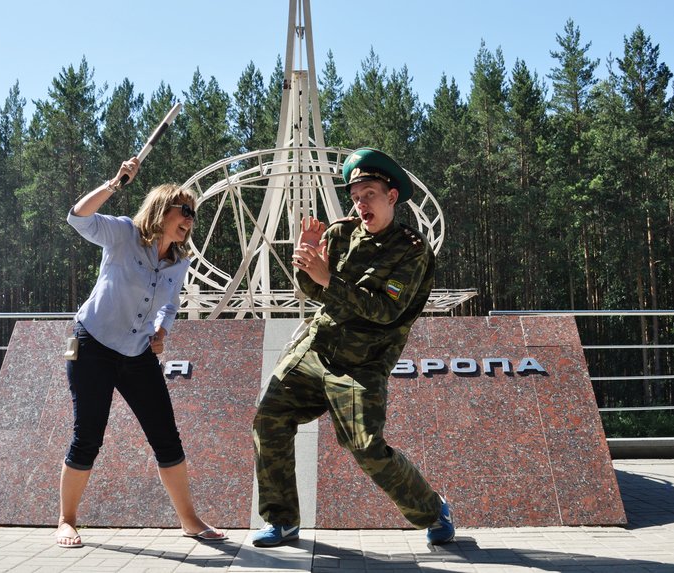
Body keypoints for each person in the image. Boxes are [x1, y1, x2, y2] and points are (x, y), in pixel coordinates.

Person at [251, 147, 455, 547]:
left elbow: (385, 311)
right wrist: (305, 261)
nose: (361, 204)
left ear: (392, 197)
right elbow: (313, 291)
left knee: (365, 447)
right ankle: (282, 520)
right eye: (357, 196)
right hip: (316, 349)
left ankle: (432, 511)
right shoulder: (340, 234)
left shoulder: (412, 251)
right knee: (268, 420)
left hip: (364, 362)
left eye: (370, 195)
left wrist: (328, 280)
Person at [55, 157, 225, 548]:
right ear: (163, 209)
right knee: (87, 437)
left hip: (137, 353)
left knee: (167, 437)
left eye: (194, 215)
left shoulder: (178, 260)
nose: (190, 220)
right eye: (185, 211)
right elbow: (77, 218)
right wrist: (115, 182)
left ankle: (190, 521)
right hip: (92, 345)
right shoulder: (123, 233)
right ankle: (66, 520)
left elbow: (170, 302)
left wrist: (163, 329)